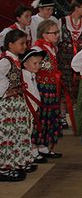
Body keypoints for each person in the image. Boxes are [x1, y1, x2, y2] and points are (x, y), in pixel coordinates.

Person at [0, 30, 34, 182]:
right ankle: (4, 168)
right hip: (9, 105)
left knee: (17, 132)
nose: (24, 46)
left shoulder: (14, 60)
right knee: (8, 135)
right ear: (10, 44)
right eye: (21, 43)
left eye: (25, 43)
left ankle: (15, 163)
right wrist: (5, 91)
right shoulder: (5, 61)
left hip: (16, 103)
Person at [32, 20, 64, 159]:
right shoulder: (37, 49)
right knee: (40, 117)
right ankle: (34, 148)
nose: (57, 35)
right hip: (42, 88)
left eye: (58, 32)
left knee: (49, 117)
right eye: (54, 32)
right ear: (44, 34)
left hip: (52, 87)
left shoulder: (51, 48)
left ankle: (44, 146)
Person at [57, 0, 82, 127]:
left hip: (80, 62)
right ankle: (62, 117)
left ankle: (77, 116)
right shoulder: (62, 21)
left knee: (79, 88)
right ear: (76, 8)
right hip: (64, 60)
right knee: (65, 88)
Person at [21, 49, 48, 163]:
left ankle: (33, 149)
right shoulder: (23, 76)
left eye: (39, 63)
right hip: (28, 108)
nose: (38, 66)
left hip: (34, 107)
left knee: (33, 130)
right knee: (27, 130)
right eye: (35, 63)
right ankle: (30, 151)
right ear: (25, 64)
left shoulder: (32, 75)